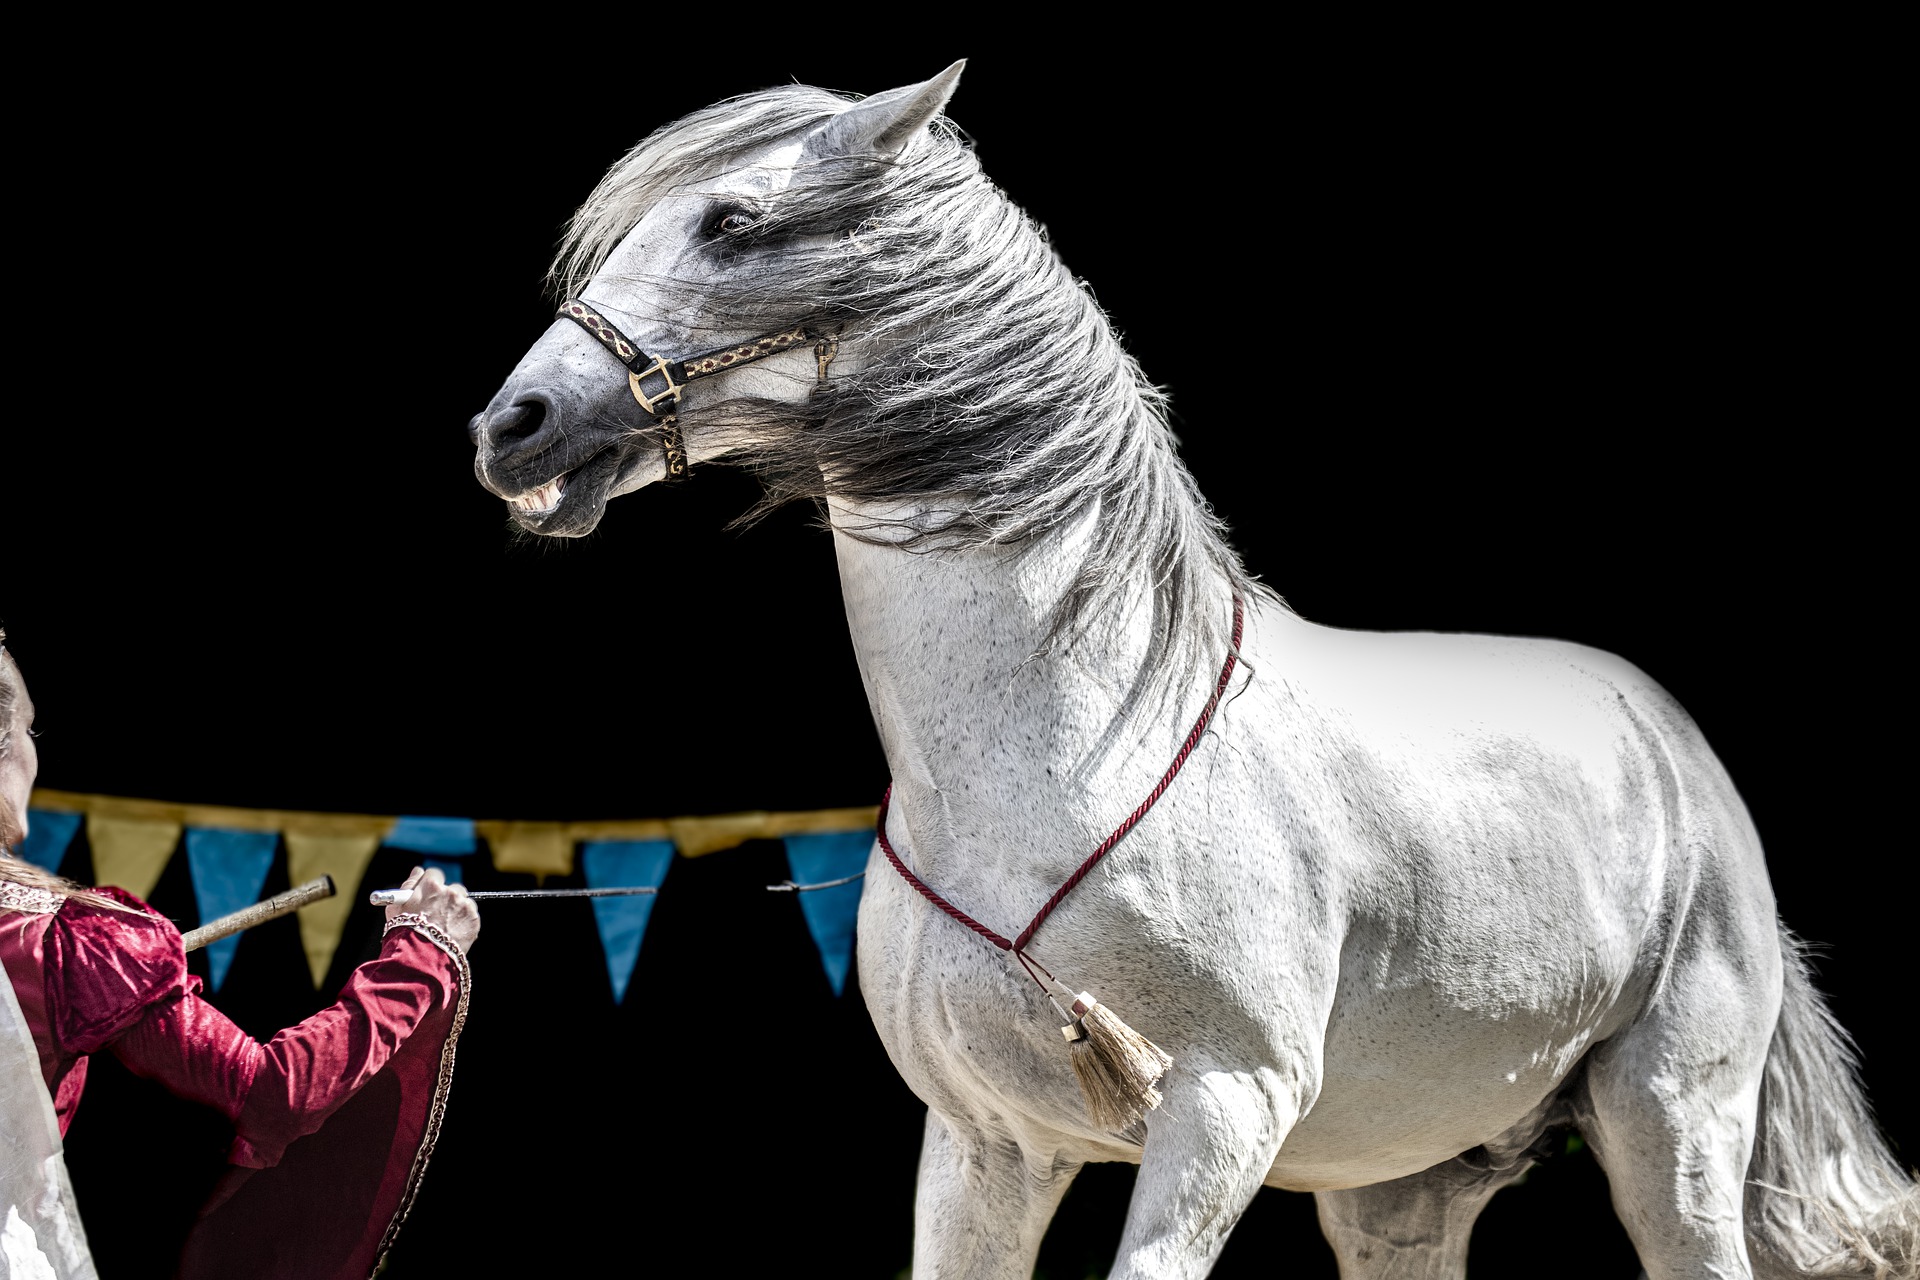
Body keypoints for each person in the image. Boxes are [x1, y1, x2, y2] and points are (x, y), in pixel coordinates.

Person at [0, 633, 481, 1279]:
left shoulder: (70, 943)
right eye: (30, 729)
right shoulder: (71, 942)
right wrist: (421, 951)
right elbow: (276, 1093)